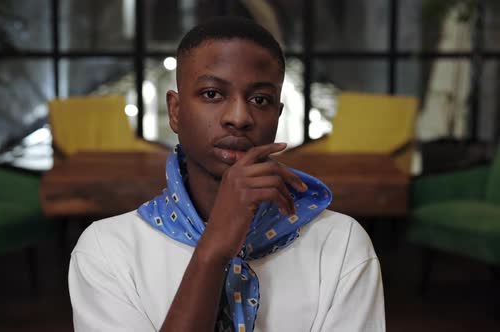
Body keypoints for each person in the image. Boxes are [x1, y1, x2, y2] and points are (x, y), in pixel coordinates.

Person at [69, 17, 385, 332]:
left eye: (260, 99)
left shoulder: (340, 244)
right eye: (212, 94)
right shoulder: (106, 250)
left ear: (277, 115)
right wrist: (214, 249)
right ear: (175, 111)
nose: (239, 117)